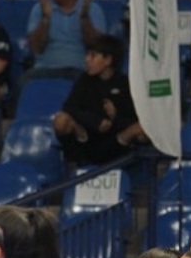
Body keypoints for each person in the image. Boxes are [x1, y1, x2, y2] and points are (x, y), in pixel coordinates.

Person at [53, 34, 147, 165]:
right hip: (87, 139)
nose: (86, 60)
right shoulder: (84, 80)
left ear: (108, 60)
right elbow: (69, 107)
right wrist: (95, 122)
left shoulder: (125, 84)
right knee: (61, 120)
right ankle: (73, 165)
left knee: (141, 128)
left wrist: (115, 117)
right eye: (87, 55)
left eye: (92, 56)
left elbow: (133, 118)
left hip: (115, 141)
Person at [25, 0, 107, 82]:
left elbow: (98, 48)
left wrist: (84, 17)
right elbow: (36, 48)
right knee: (25, 82)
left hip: (81, 71)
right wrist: (45, 18)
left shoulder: (93, 9)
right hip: (45, 69)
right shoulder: (39, 8)